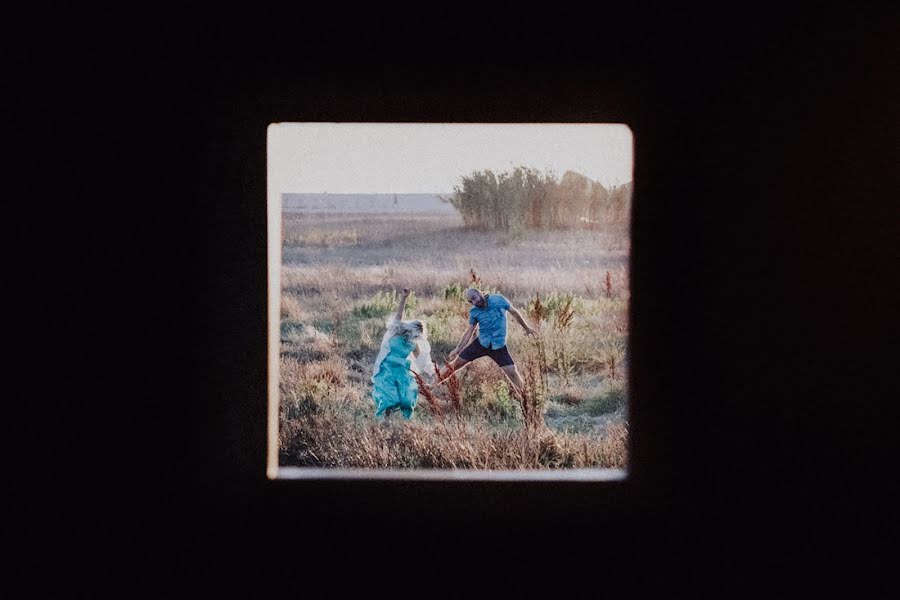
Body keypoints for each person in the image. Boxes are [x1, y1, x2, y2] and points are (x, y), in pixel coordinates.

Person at [431, 287, 538, 396]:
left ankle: (527, 397)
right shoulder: (474, 312)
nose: (474, 302)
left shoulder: (499, 300)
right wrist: (458, 349)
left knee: (512, 372)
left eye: (474, 298)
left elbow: (514, 312)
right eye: (471, 301)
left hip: (498, 346)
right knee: (455, 364)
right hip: (481, 344)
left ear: (479, 293)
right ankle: (430, 386)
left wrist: (526, 328)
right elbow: (469, 332)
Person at [371, 288, 436, 419]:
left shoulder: (413, 344)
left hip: (401, 371)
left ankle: (402, 421)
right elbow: (399, 315)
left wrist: (433, 372)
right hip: (386, 369)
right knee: (390, 398)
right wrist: (404, 298)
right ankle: (385, 419)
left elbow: (422, 359)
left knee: (406, 398)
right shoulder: (395, 332)